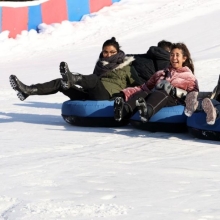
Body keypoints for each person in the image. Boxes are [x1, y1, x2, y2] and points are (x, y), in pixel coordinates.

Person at [9, 37, 139, 101]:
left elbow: (139, 86)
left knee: (93, 79)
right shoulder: (100, 64)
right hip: (90, 93)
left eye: (112, 52)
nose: (108, 55)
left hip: (107, 96)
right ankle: (28, 90)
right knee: (60, 83)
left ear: (118, 52)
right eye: (105, 52)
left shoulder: (126, 66)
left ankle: (71, 77)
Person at [113, 42, 199, 122]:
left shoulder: (189, 76)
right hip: (156, 98)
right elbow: (142, 88)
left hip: (174, 101)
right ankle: (124, 111)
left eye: (177, 55)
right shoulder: (160, 73)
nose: (174, 58)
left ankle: (146, 112)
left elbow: (193, 95)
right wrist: (124, 94)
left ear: (184, 58)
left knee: (163, 92)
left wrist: (175, 91)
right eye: (172, 55)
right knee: (146, 92)